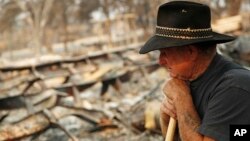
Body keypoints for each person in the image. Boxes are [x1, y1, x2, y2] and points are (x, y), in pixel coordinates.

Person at [139, 1, 250, 141]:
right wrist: (165, 116)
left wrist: (181, 98)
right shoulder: (189, 81)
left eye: (165, 53)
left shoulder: (234, 87)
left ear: (191, 52)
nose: (160, 61)